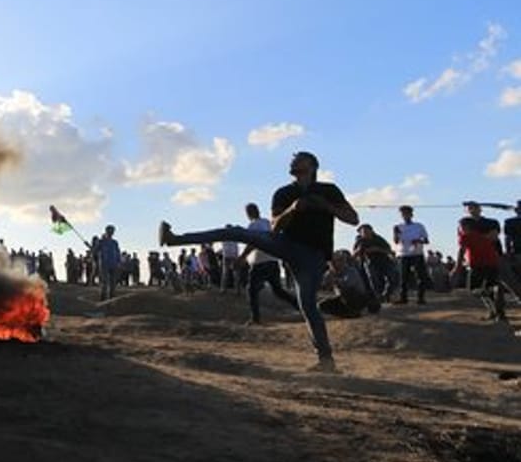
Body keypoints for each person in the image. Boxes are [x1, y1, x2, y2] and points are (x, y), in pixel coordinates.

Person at [161, 151, 359, 372]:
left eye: (298, 159)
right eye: (292, 160)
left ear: (312, 166)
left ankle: (326, 360)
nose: (292, 161)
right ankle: (174, 239)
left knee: (308, 307)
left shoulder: (328, 190)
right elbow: (275, 226)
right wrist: (293, 209)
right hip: (285, 244)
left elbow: (353, 219)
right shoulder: (284, 193)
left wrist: (325, 206)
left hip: (314, 256)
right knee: (237, 232)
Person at [240, 203, 298, 325]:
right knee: (278, 290)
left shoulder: (253, 225)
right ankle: (301, 307)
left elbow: (252, 242)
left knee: (251, 290)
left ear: (248, 213)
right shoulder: (267, 223)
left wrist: (242, 257)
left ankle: (255, 319)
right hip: (272, 260)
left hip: (260, 261)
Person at [454, 201, 511, 323]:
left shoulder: (490, 222)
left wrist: (457, 266)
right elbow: (490, 237)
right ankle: (496, 311)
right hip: (488, 260)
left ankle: (497, 309)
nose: (471, 210)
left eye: (473, 207)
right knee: (487, 287)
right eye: (469, 208)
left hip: (483, 262)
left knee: (476, 289)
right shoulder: (471, 232)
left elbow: (493, 237)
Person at [318, 250, 377, 318]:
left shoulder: (351, 271)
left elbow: (349, 285)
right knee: (322, 305)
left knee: (348, 292)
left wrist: (335, 280)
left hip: (358, 298)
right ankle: (350, 313)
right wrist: (325, 283)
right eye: (331, 262)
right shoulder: (329, 273)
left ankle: (356, 310)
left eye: (337, 261)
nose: (333, 264)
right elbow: (323, 286)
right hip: (342, 300)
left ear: (343, 261)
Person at [392, 205, 430, 305]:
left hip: (417, 253)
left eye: (407, 213)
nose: (405, 215)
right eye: (403, 214)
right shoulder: (398, 227)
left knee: (420, 276)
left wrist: (418, 240)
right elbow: (396, 241)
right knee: (403, 277)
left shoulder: (419, 226)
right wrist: (395, 233)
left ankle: (420, 298)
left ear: (411, 214)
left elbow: (426, 240)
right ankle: (403, 298)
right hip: (403, 254)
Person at [353, 224, 396, 303]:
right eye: (362, 232)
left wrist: (377, 249)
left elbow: (389, 250)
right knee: (373, 280)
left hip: (383, 261)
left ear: (371, 231)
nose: (365, 233)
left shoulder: (378, 239)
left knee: (392, 278)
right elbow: (354, 254)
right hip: (369, 262)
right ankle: (378, 296)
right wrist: (358, 251)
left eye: (366, 231)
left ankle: (386, 294)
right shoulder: (359, 241)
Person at [95, 225, 122, 301]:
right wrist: (93, 246)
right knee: (105, 283)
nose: (111, 233)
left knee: (113, 283)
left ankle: (111, 298)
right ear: (106, 231)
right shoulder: (101, 242)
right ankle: (103, 298)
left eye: (112, 231)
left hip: (113, 265)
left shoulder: (115, 242)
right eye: (110, 231)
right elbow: (95, 251)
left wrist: (119, 262)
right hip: (104, 265)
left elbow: (118, 253)